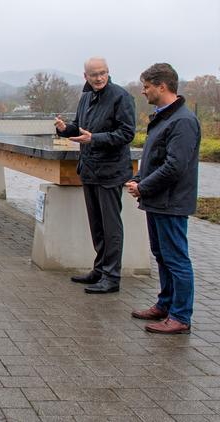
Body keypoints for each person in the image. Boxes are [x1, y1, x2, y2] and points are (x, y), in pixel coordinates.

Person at [127, 63, 200, 335]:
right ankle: (165, 304)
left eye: (146, 86)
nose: (143, 92)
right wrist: (139, 179)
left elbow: (174, 166)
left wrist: (143, 186)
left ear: (162, 86)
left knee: (176, 259)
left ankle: (180, 316)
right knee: (162, 255)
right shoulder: (164, 117)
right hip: (158, 201)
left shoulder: (182, 121)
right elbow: (156, 159)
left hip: (171, 202)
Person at [55, 57, 136, 294]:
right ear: (85, 77)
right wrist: (63, 129)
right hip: (89, 170)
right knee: (97, 226)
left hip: (111, 172)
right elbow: (79, 128)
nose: (99, 78)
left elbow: (126, 133)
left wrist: (95, 139)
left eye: (103, 73)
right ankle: (99, 270)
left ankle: (112, 277)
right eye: (94, 75)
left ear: (108, 73)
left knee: (111, 227)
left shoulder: (121, 97)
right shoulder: (86, 97)